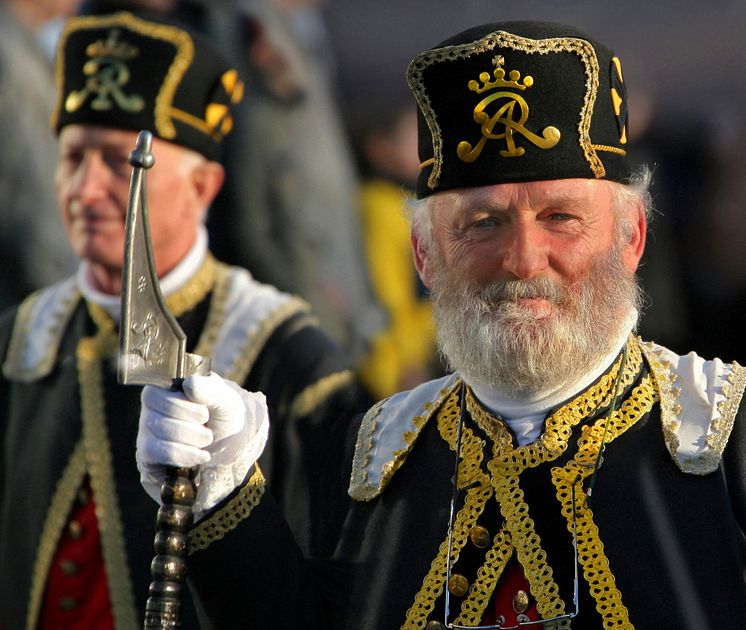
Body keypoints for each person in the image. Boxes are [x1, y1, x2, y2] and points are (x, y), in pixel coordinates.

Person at [134, 21, 746, 629]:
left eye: (561, 217)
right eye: (483, 223)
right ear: (424, 255)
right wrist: (222, 493)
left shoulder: (727, 439)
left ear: (631, 237)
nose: (523, 260)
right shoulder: (376, 453)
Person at [0, 10, 365, 630]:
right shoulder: (22, 340)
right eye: (72, 157)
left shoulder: (290, 359)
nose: (84, 191)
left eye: (120, 164)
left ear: (202, 186)